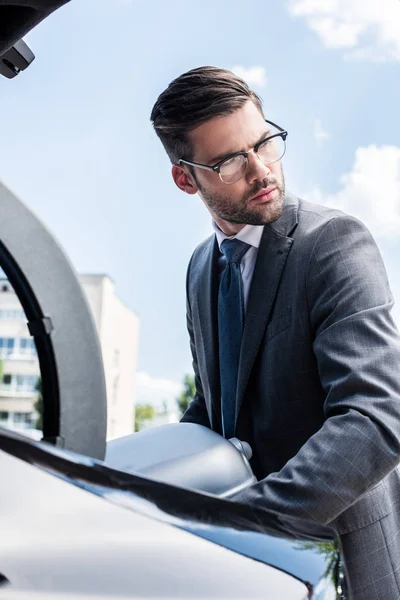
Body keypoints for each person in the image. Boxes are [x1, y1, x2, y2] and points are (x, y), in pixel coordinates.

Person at [151, 66, 400, 599]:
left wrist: (241, 524)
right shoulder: (200, 269)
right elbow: (217, 406)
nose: (261, 170)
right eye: (230, 162)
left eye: (265, 143)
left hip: (344, 563)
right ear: (184, 178)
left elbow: (375, 419)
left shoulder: (335, 243)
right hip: (249, 575)